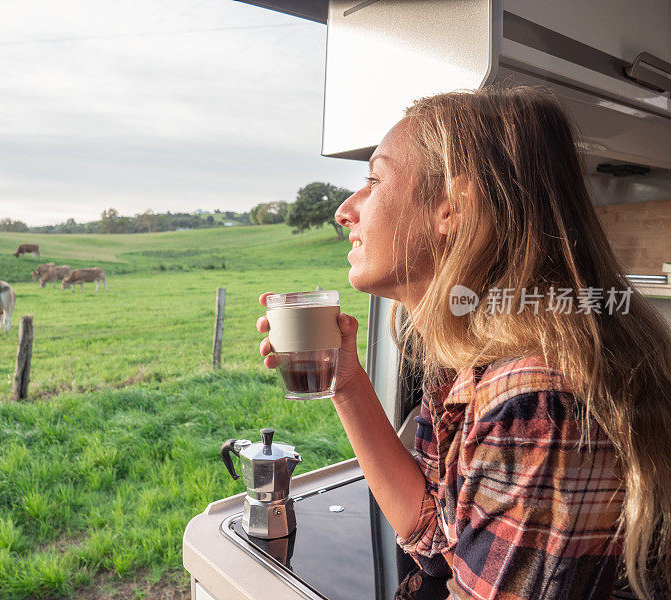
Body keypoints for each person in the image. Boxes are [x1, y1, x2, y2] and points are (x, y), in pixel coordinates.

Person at [257, 86, 671, 599]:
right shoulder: (467, 364)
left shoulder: (536, 403)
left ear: (451, 209)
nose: (345, 211)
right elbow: (435, 535)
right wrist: (348, 386)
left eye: (373, 180)